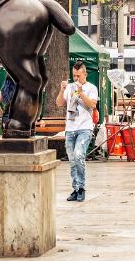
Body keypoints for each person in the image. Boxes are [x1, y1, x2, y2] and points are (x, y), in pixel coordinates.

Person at [56, 60, 98, 202]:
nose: (76, 79)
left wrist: (81, 93)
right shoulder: (69, 87)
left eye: (78, 76)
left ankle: (81, 187)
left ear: (85, 74)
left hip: (84, 127)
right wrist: (62, 90)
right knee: (72, 160)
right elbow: (59, 103)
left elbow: (92, 104)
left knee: (79, 155)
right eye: (74, 76)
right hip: (70, 128)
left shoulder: (91, 88)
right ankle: (75, 188)